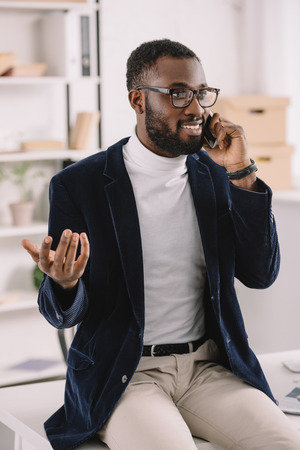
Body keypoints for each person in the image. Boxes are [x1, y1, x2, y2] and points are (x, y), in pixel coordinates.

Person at [22, 39, 300, 450]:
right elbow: (62, 315)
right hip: (127, 374)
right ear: (138, 100)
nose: (196, 109)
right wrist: (64, 285)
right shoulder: (79, 184)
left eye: (202, 93)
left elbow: (260, 274)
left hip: (207, 369)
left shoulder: (217, 174)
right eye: (178, 94)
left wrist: (241, 174)